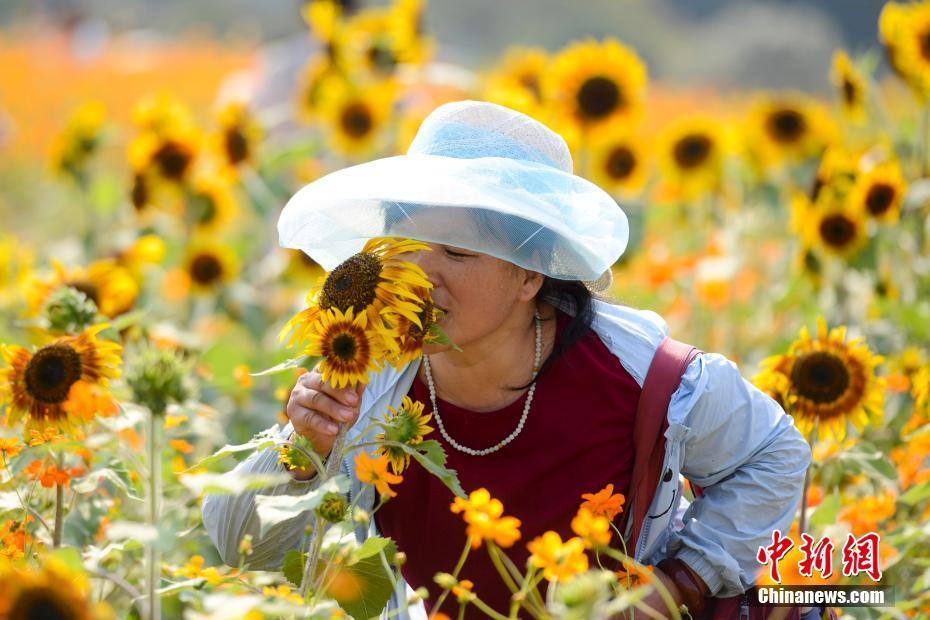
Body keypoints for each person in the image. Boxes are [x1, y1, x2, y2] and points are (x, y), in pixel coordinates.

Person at [203, 100, 814, 619]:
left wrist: (680, 583)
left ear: (529, 274)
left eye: (457, 252)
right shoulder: (372, 374)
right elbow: (244, 546)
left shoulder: (640, 375)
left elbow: (776, 455)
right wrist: (301, 454)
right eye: (406, 246)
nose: (422, 276)